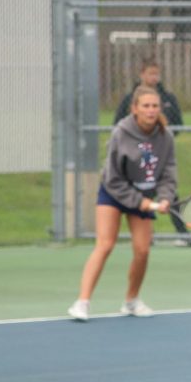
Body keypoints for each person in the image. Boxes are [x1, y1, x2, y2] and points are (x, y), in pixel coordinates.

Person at [67, 85, 177, 322]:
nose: (151, 110)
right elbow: (113, 178)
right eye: (145, 106)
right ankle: (82, 302)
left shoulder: (165, 137)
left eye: (155, 106)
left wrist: (166, 197)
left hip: (144, 193)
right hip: (113, 192)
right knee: (105, 245)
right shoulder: (121, 133)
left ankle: (131, 301)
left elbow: (168, 170)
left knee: (142, 250)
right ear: (135, 109)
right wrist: (143, 203)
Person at [115, 58, 191, 247]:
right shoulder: (129, 100)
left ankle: (183, 234)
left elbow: (177, 125)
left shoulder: (167, 99)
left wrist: (159, 140)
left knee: (169, 192)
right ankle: (145, 235)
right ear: (142, 74)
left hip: (158, 154)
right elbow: (117, 125)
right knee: (140, 193)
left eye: (157, 74)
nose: (154, 78)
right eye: (150, 73)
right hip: (135, 156)